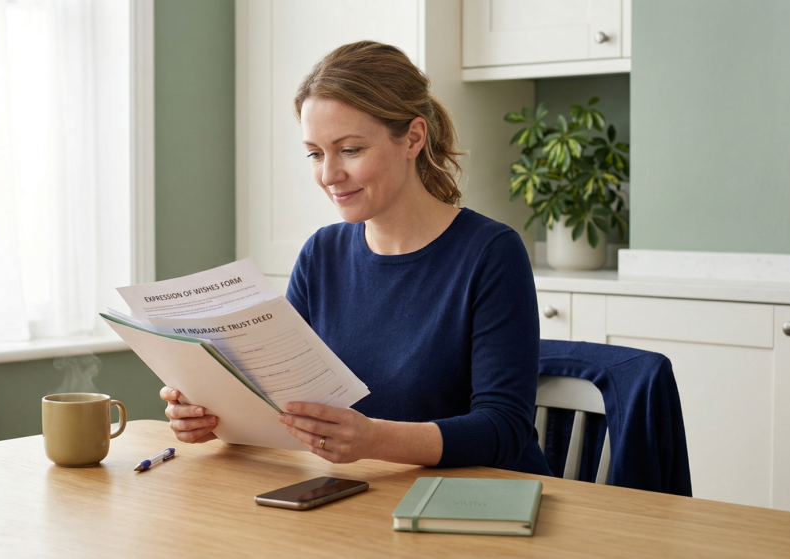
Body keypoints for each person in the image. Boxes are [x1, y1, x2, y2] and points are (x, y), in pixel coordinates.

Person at [160, 41, 551, 475]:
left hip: (471, 504)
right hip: (364, 494)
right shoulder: (321, 254)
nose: (328, 175)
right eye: (315, 153)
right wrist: (216, 417)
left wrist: (373, 439)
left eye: (350, 150)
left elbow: (504, 428)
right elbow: (284, 402)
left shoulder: (491, 253)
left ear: (413, 138)